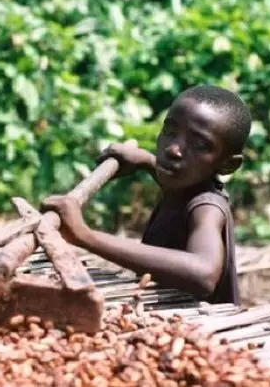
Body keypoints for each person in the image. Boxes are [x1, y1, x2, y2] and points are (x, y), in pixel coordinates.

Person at [40, 85, 252, 304]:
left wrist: (84, 235)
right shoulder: (185, 183)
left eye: (199, 144)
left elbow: (204, 274)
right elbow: (172, 180)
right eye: (170, 132)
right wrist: (145, 160)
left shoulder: (207, 208)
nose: (173, 150)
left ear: (228, 165)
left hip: (199, 326)